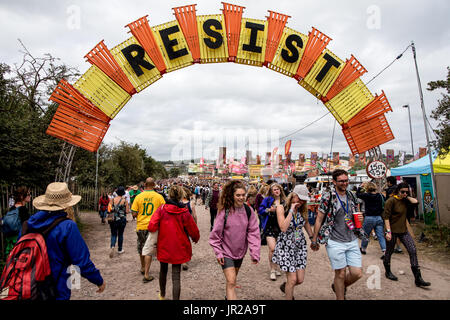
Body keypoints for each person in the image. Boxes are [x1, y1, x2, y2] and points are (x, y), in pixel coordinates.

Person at [26, 182, 105, 300]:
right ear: (67, 204)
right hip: (56, 286)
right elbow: (81, 261)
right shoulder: (67, 226)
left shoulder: (29, 224)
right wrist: (98, 280)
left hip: (30, 284)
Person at [310, 169, 366, 300]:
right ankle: (340, 296)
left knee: (357, 273)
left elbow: (355, 214)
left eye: (346, 180)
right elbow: (319, 219)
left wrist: (360, 220)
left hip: (351, 239)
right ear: (334, 182)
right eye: (341, 181)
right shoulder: (328, 196)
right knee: (340, 274)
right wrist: (314, 239)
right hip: (334, 241)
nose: (344, 183)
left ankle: (338, 286)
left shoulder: (351, 195)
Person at [209, 180, 261, 300]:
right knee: (232, 281)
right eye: (238, 195)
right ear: (232, 195)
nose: (241, 197)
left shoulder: (249, 211)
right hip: (225, 252)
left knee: (231, 281)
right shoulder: (224, 211)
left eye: (243, 195)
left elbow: (253, 233)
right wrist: (218, 252)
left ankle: (228, 297)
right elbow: (215, 235)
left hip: (240, 252)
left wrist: (255, 252)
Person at [148, 185, 200, 300]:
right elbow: (193, 229)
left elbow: (151, 226)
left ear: (169, 195)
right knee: (176, 276)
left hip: (164, 245)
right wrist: (195, 238)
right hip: (179, 247)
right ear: (181, 196)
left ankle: (162, 295)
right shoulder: (184, 211)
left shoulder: (161, 209)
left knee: (163, 271)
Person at [382, 182, 430, 287]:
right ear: (397, 191)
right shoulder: (391, 201)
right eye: (402, 191)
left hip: (403, 231)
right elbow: (386, 217)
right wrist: (388, 232)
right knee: (389, 251)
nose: (404, 193)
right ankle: (388, 271)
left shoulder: (405, 200)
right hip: (392, 230)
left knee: (412, 250)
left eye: (406, 192)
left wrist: (406, 196)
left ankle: (418, 278)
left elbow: (415, 201)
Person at [273, 185, 314, 300]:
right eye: (299, 198)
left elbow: (305, 223)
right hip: (285, 246)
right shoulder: (281, 207)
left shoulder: (302, 209)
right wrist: (291, 210)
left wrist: (312, 239)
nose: (301, 201)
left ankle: (286, 287)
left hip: (299, 246)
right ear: (293, 195)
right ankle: (289, 295)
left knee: (300, 280)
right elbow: (283, 228)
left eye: (303, 199)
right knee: (292, 279)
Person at [131, 177, 165, 283]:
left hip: (141, 226)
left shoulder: (138, 197)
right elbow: (164, 212)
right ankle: (146, 273)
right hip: (153, 227)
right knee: (149, 250)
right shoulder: (159, 197)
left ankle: (142, 267)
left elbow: (134, 213)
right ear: (154, 185)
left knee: (141, 248)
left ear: (145, 184)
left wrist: (140, 215)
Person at [258, 183, 286, 280]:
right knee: (272, 248)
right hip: (269, 226)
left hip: (280, 227)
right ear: (271, 191)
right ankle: (272, 270)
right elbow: (260, 210)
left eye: (278, 189)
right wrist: (269, 210)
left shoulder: (284, 201)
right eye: (274, 189)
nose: (276, 191)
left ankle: (276, 267)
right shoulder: (267, 200)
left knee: (278, 249)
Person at [356, 182, 386, 259]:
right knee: (380, 235)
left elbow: (358, 194)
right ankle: (385, 251)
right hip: (379, 218)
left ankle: (363, 248)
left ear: (367, 188)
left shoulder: (367, 196)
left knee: (365, 234)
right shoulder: (380, 196)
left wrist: (360, 186)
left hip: (369, 217)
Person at [4, 186, 31, 256]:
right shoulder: (23, 210)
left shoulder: (12, 209)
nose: (30, 196)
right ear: (22, 196)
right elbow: (28, 226)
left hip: (9, 241)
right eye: (28, 194)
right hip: (19, 240)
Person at [108, 186, 129, 258]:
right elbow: (127, 211)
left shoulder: (112, 200)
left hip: (113, 219)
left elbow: (109, 209)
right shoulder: (125, 201)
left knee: (113, 234)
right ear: (123, 193)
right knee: (120, 234)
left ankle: (112, 246)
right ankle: (120, 249)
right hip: (122, 220)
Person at [181, 186, 198, 271]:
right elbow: (194, 215)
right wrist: (195, 224)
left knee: (180, 241)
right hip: (188, 224)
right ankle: (185, 259)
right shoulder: (190, 203)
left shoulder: (178, 202)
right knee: (187, 241)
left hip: (179, 224)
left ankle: (181, 258)